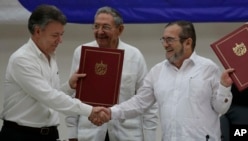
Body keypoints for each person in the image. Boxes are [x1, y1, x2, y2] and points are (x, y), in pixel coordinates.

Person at [91, 20, 235, 141]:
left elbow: (221, 108)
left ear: (188, 42)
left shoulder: (208, 68)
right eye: (163, 40)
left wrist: (224, 87)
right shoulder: (157, 71)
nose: (165, 45)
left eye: (170, 40)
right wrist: (111, 112)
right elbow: (139, 102)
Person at [0, 4, 108, 141]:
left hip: (49, 134)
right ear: (38, 31)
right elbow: (49, 97)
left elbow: (50, 97)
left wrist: (69, 86)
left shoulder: (50, 55)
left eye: (61, 35)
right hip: (21, 135)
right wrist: (90, 111)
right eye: (55, 35)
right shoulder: (22, 59)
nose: (60, 41)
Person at [65, 6, 159, 141]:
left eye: (106, 27)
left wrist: (150, 137)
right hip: (89, 134)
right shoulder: (81, 52)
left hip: (127, 134)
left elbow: (147, 100)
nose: (99, 32)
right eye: (96, 26)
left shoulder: (134, 55)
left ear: (120, 30)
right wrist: (72, 134)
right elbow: (73, 97)